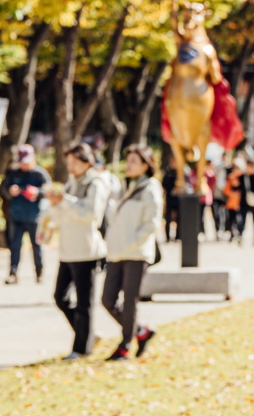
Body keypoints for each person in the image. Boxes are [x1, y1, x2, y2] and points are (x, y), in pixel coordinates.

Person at [46, 143, 109, 360]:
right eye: (68, 162)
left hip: (87, 251)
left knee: (85, 302)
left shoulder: (96, 183)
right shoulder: (71, 184)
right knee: (60, 297)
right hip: (67, 250)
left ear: (87, 161)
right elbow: (63, 214)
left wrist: (66, 201)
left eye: (74, 162)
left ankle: (82, 348)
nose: (70, 167)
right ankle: (88, 334)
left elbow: (91, 215)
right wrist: (55, 204)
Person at [102, 144, 163, 361]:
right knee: (108, 299)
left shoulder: (150, 188)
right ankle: (141, 331)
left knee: (130, 301)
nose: (128, 165)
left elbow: (152, 222)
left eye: (134, 162)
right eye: (127, 161)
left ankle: (125, 345)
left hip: (136, 254)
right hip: (117, 253)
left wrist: (132, 242)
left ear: (146, 165)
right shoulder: (126, 187)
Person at [0, 144, 50, 285]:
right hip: (16, 216)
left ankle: (39, 272)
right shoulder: (13, 173)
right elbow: (3, 189)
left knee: (37, 246)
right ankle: (13, 273)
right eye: (22, 162)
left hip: (35, 216)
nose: (25, 165)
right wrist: (10, 191)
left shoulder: (40, 174)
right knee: (15, 246)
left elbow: (48, 191)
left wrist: (37, 193)